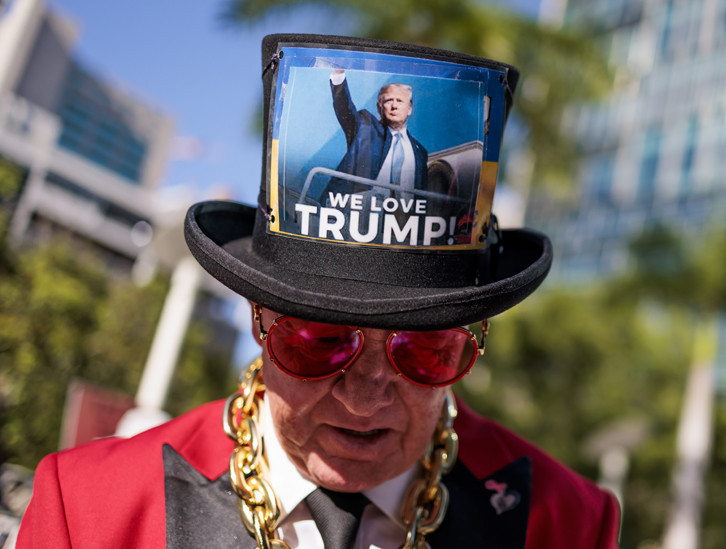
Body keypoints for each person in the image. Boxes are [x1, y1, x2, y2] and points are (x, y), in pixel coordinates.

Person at [16, 34, 620, 549]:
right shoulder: (91, 510)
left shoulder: (569, 524)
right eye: (319, 342)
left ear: (472, 343)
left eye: (424, 353)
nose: (365, 397)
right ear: (260, 322)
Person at [319, 68, 429, 201]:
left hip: (400, 218)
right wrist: (339, 74)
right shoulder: (365, 127)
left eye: (400, 101)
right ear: (380, 107)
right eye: (388, 101)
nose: (394, 106)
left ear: (409, 109)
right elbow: (344, 107)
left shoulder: (420, 152)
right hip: (357, 213)